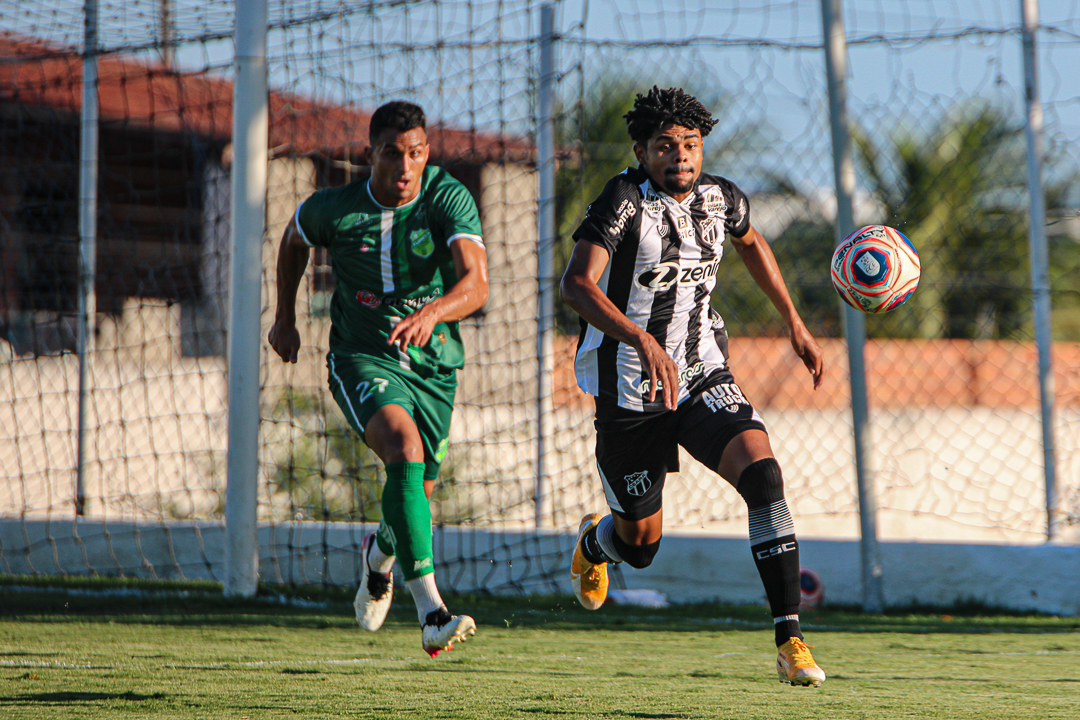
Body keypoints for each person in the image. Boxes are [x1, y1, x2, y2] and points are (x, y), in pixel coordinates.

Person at [560, 86, 827, 687]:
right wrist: (639, 337)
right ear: (641, 151)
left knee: (764, 476)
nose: (680, 155)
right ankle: (597, 544)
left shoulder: (721, 198)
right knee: (640, 545)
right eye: (665, 145)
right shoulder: (623, 200)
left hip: (701, 371)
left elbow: (753, 242)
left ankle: (790, 640)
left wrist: (794, 321)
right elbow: (576, 285)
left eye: (690, 144)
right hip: (629, 386)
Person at [269, 100, 487, 657]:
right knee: (403, 451)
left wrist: (434, 312)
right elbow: (293, 239)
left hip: (435, 364)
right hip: (362, 357)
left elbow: (476, 283)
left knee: (414, 494)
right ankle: (432, 613)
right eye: (393, 153)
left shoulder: (446, 197)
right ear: (371, 155)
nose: (405, 166)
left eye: (416, 153)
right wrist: (285, 317)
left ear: (427, 153)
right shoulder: (336, 209)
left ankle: (378, 557)